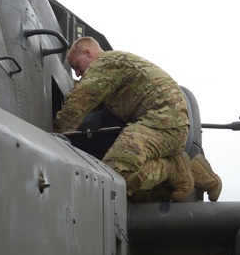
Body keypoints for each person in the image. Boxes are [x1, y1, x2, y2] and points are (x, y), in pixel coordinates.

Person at [53, 37, 194, 201]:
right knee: (134, 192)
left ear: (88, 52)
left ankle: (173, 168)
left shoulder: (106, 63)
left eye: (76, 66)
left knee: (115, 173)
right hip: (166, 126)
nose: (77, 73)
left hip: (162, 123)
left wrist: (52, 137)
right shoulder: (112, 71)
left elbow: (77, 105)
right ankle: (196, 172)